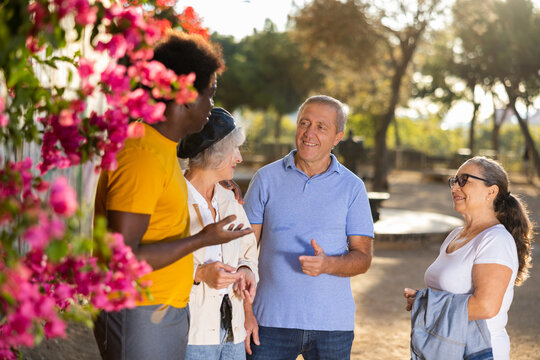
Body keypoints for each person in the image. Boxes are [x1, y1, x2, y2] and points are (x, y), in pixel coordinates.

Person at [93, 32, 253, 360]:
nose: (212, 106)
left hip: (165, 308)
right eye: (209, 95)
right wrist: (202, 239)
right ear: (184, 96)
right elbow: (124, 258)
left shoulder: (162, 149)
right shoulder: (141, 153)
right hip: (139, 309)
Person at [243, 95, 374, 360]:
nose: (309, 133)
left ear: (338, 136)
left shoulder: (353, 188)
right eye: (304, 123)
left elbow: (363, 258)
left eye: (320, 126)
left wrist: (328, 265)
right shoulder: (265, 179)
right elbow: (242, 254)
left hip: (332, 325)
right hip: (269, 321)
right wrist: (246, 313)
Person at [404, 156, 534, 360]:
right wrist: (421, 298)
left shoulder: (495, 240)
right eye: (453, 181)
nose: (455, 187)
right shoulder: (455, 235)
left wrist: (427, 305)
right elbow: (450, 291)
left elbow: (485, 306)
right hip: (446, 347)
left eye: (464, 180)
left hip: (478, 351)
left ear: (491, 191)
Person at [177, 107, 258, 360]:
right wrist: (200, 273)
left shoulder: (230, 200)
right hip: (191, 335)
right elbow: (155, 257)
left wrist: (245, 270)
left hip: (231, 332)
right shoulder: (174, 198)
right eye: (235, 149)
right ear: (216, 154)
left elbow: (248, 250)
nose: (239, 158)